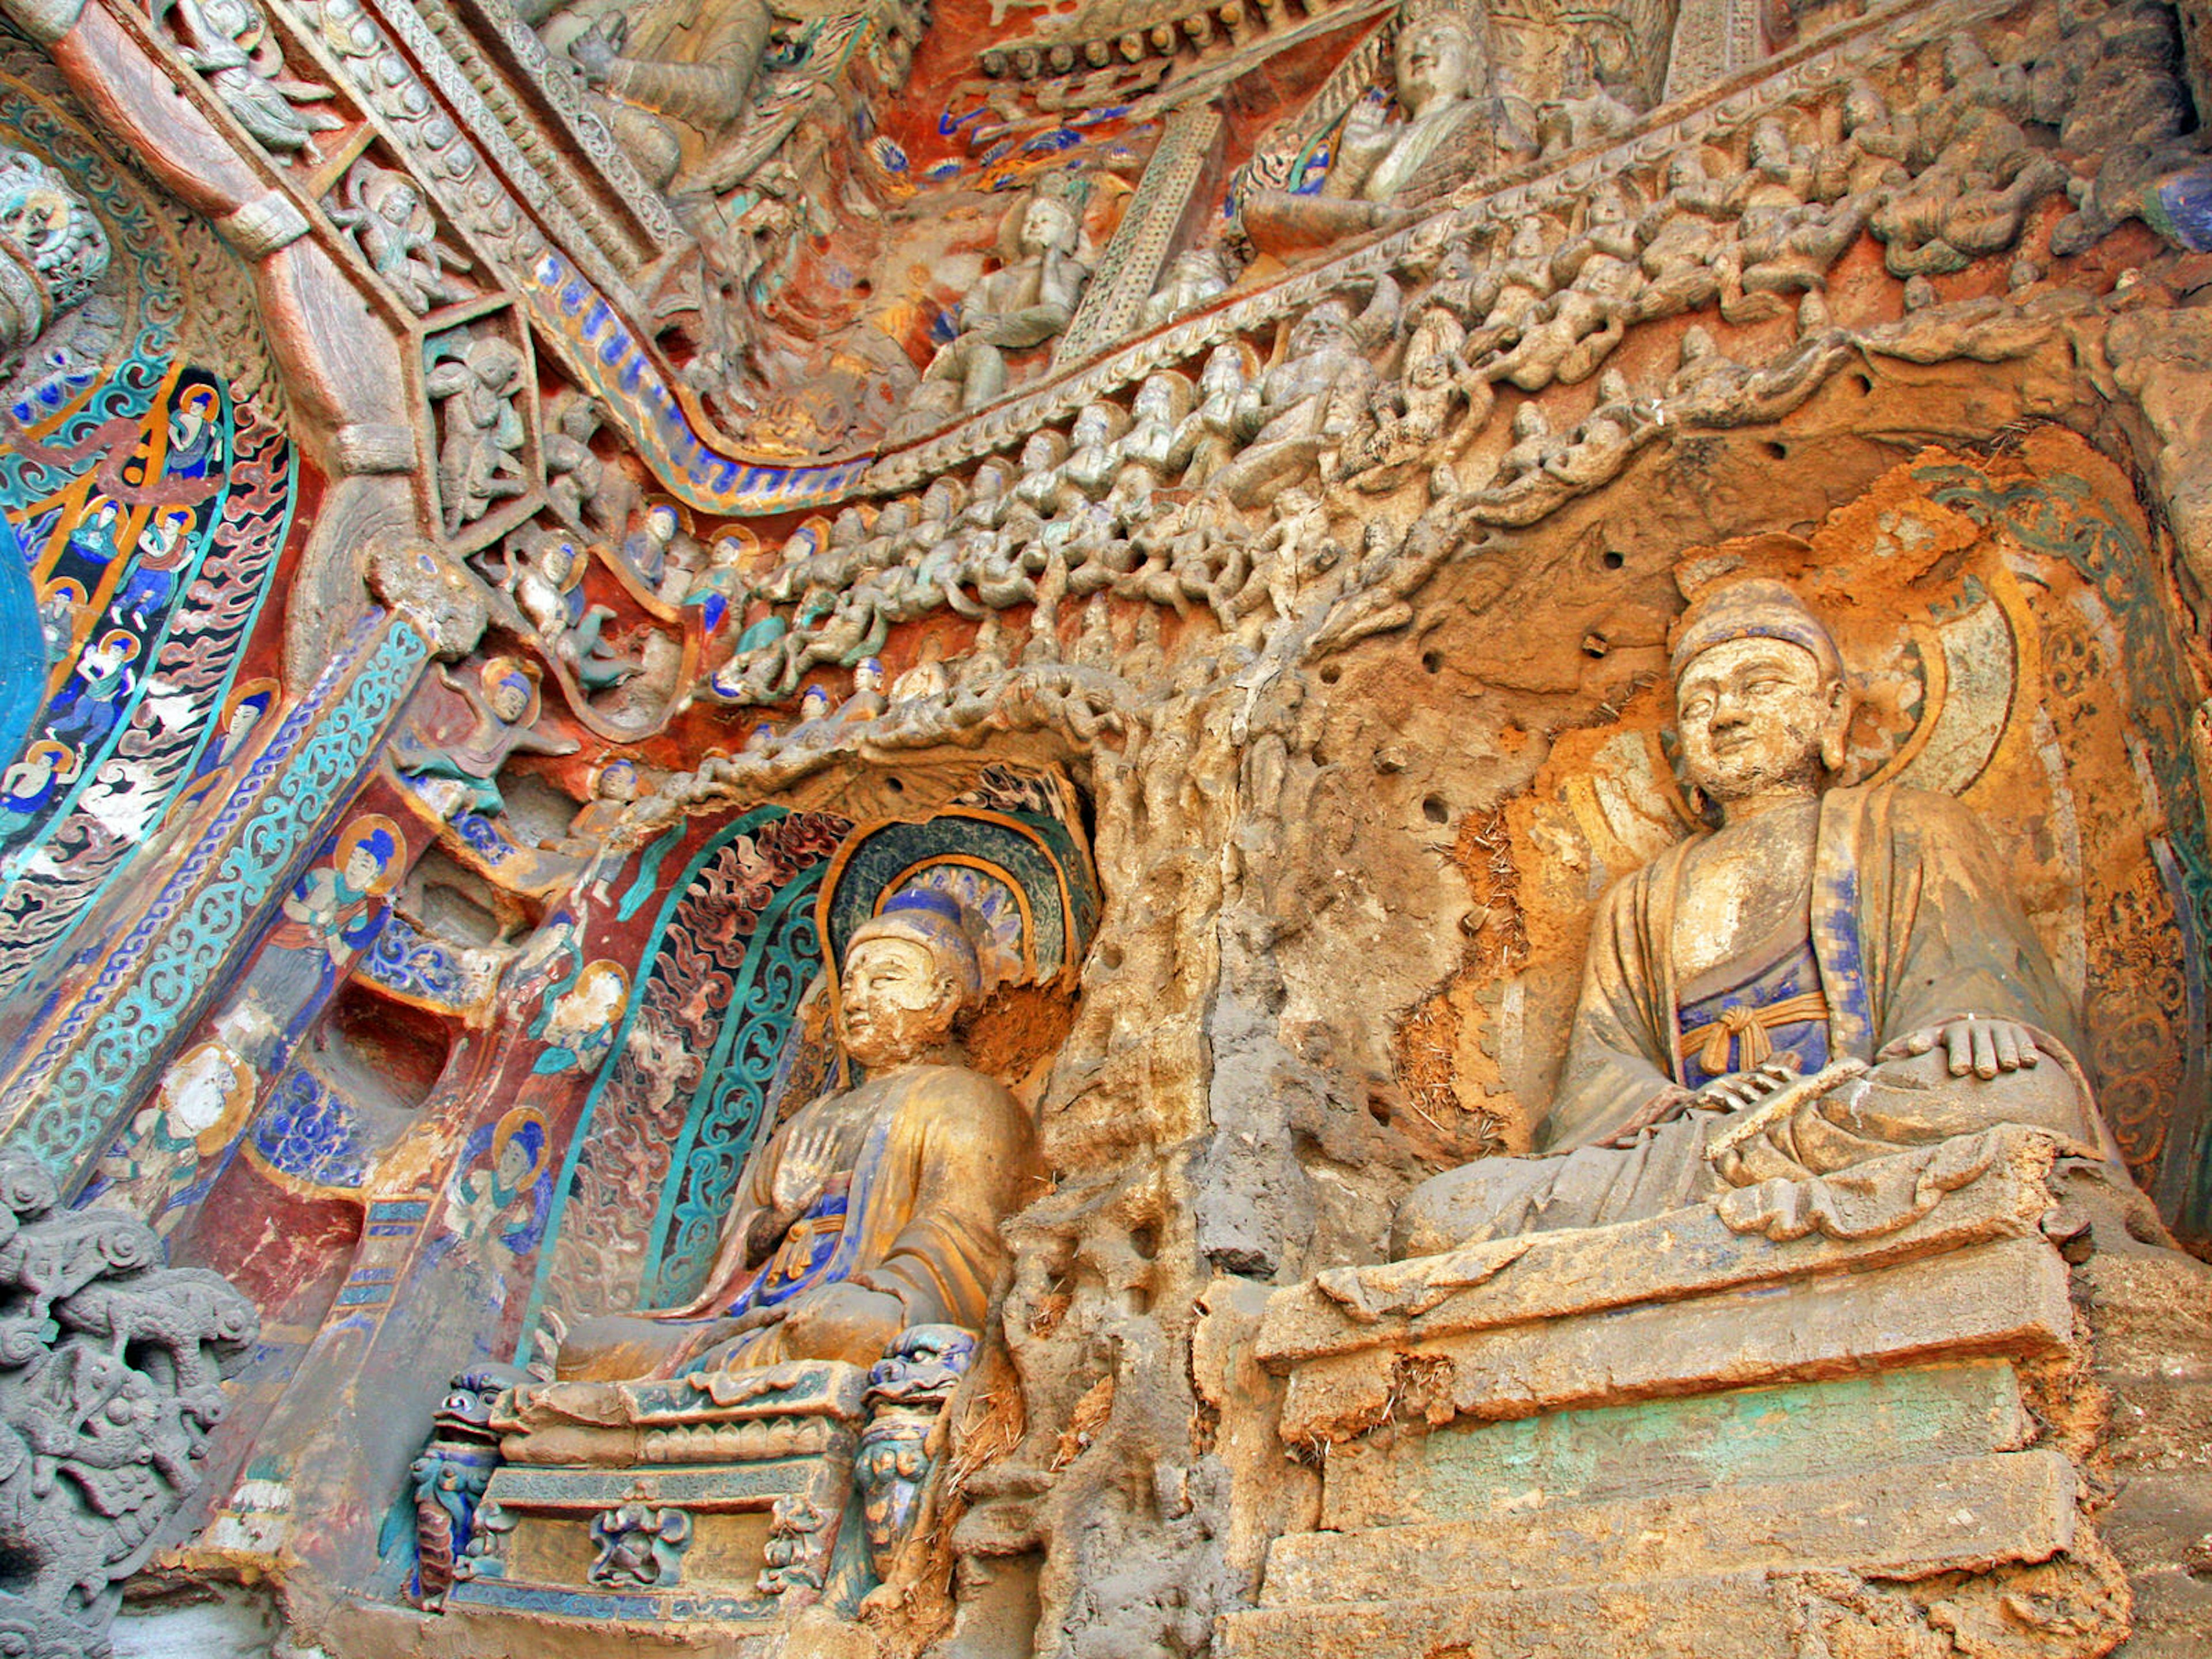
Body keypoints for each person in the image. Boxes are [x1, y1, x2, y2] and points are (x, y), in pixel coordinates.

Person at [1395, 578, 2122, 1255]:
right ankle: (1789, 1198)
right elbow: (1600, 1071)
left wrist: (1973, 1018)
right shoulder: (1641, 898)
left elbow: (1978, 976)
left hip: (1856, 1112)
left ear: (1832, 709)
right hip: (1705, 1142)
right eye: (1701, 703)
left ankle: (1758, 1199)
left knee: (2019, 1096)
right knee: (1444, 1212)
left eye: (1760, 686)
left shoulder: (1908, 826)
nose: (1729, 714)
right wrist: (1684, 1106)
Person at [539, 889, 1040, 1384]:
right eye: (851, 982)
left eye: (885, 979)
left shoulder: (967, 1101)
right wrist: (778, 1218)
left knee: (850, 1324)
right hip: (752, 1323)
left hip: (847, 1315)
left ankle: (725, 1372)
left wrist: (876, 1290)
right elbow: (737, 1260)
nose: (858, 999)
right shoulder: (810, 1119)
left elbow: (959, 1248)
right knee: (589, 1347)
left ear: (944, 997)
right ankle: (725, 1368)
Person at [1244, 9, 1533, 256]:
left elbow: (1517, 167)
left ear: (1476, 65)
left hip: (1450, 228)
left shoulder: (1494, 111)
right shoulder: (1383, 137)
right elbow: (1323, 224)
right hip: (1371, 233)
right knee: (1260, 207)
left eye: (1438, 40)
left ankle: (1387, 222)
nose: (1420, 53)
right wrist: (1352, 162)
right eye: (1408, 50)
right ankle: (1384, 221)